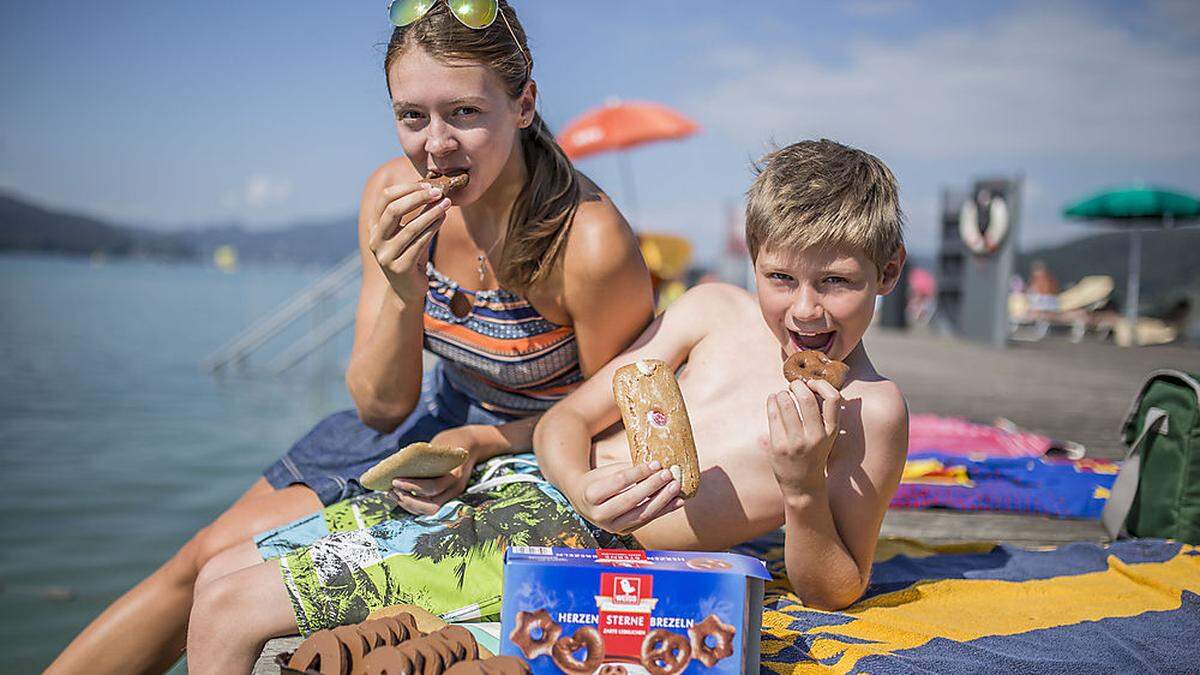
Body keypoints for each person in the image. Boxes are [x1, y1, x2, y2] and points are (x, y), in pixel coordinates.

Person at [48, 1, 653, 672]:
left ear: (523, 105)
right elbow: (379, 407)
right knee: (201, 556)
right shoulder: (390, 192)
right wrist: (401, 285)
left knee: (239, 576)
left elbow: (617, 421)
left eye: (465, 113)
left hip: (542, 446)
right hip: (430, 417)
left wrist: (480, 441)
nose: (436, 145)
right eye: (411, 116)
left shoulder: (590, 243)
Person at [183, 139, 909, 672]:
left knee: (228, 609)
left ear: (887, 272)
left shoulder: (871, 413)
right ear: (752, 258)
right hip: (530, 488)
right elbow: (566, 420)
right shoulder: (715, 311)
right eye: (781, 276)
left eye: (836, 281)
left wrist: (803, 486)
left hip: (571, 551)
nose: (805, 308)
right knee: (218, 572)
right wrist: (577, 482)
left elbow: (837, 587)